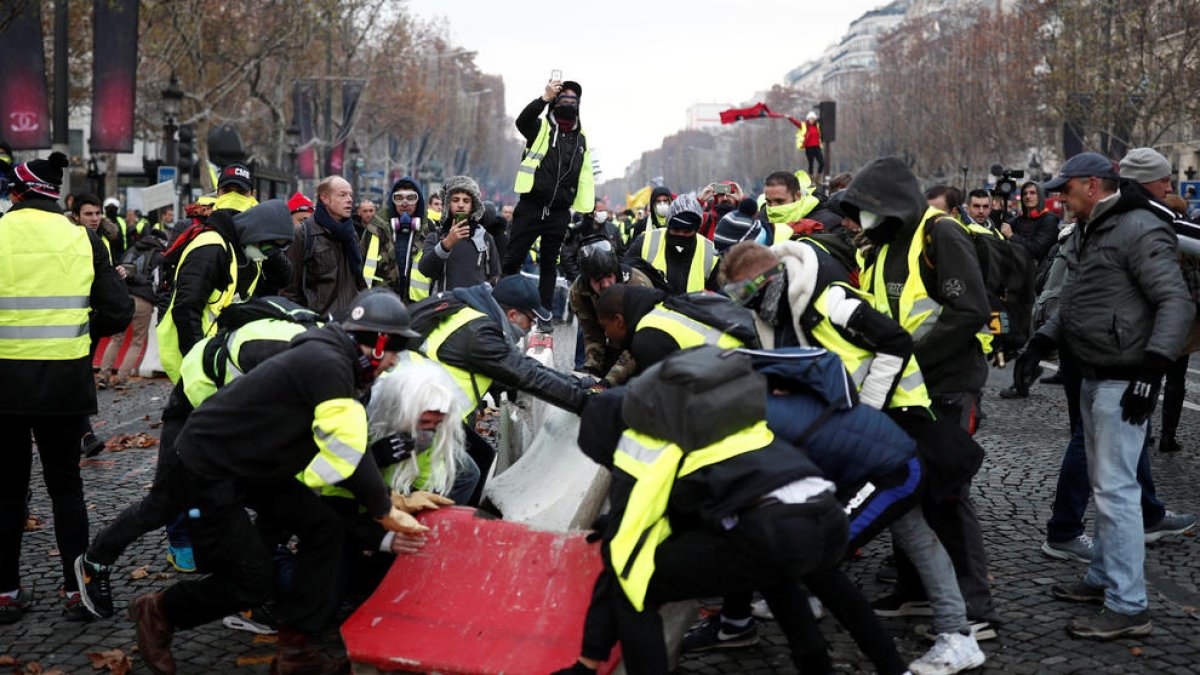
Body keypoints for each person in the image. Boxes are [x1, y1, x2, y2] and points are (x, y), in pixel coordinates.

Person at [102, 290, 429, 675]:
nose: (394, 362)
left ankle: (296, 648)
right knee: (252, 579)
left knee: (324, 527)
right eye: (395, 350)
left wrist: (385, 507)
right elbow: (349, 453)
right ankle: (159, 611)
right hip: (209, 466)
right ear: (377, 343)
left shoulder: (345, 367)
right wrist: (384, 510)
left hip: (257, 465)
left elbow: (348, 449)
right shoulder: (327, 363)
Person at [555, 347, 862, 675]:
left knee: (635, 586)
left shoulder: (637, 448)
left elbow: (625, 551)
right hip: (824, 512)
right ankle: (819, 667)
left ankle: (598, 666)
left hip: (770, 525)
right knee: (774, 573)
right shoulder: (702, 420)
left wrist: (616, 530)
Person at [1013, 152, 1193, 639]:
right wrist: (1041, 342)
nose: (1059, 197)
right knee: (1106, 486)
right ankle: (1103, 578)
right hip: (1095, 373)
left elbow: (1175, 301)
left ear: (1092, 185)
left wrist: (1151, 371)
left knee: (1116, 492)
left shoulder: (1137, 227)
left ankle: (1129, 605)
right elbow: (1077, 297)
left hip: (1122, 377)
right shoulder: (1093, 226)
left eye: (1065, 188)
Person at [842, 157, 1001, 635]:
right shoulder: (884, 241)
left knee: (948, 493)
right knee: (906, 487)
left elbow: (968, 310)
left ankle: (975, 608)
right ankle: (915, 590)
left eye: (867, 209)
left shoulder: (941, 233)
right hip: (907, 387)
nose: (861, 219)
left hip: (946, 384)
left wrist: (906, 360)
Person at [0, 152, 132, 624]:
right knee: (66, 488)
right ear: (56, 195)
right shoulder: (83, 238)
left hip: (4, 383)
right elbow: (118, 312)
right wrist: (78, 333)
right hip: (64, 381)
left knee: (7, 490)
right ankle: (78, 592)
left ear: (17, 193)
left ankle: (5, 593)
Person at [157, 199, 295, 383]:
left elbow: (281, 278)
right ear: (255, 233)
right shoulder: (211, 248)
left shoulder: (245, 252)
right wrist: (200, 361)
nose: (267, 255)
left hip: (215, 351)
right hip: (193, 356)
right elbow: (186, 308)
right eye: (268, 248)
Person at [1118, 148, 1199, 455]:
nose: (1169, 188)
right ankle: (1164, 433)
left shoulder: (1115, 216)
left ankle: (1154, 433)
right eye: (1164, 181)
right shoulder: (1150, 221)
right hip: (1149, 335)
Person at [502, 78, 595, 317]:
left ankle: (543, 313)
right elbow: (521, 122)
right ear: (555, 101)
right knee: (512, 260)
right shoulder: (541, 128)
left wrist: (586, 211)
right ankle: (504, 307)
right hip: (531, 206)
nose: (569, 103)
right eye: (563, 98)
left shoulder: (581, 139)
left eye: (573, 99)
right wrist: (543, 98)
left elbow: (584, 176)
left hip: (559, 212)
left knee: (549, 265)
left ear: (579, 104)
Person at [593, 285, 757, 373]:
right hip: (745, 362)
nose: (606, 334)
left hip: (732, 376)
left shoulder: (646, 339)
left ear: (618, 320)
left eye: (605, 327)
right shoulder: (664, 309)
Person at [569, 237, 654, 387]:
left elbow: (639, 346)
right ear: (587, 280)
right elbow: (592, 333)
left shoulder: (637, 285)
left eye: (609, 276)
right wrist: (591, 369)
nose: (606, 285)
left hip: (645, 346)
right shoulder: (578, 292)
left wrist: (608, 381)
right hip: (612, 341)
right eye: (597, 280)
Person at [285, 175, 367, 316]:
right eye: (342, 195)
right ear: (325, 199)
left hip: (350, 321)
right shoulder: (303, 234)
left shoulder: (351, 234)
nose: (349, 199)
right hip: (317, 322)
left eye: (350, 195)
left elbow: (359, 281)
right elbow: (289, 291)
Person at [100, 228, 169, 388]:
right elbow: (158, 282)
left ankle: (103, 376)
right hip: (144, 300)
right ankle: (121, 379)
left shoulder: (132, 249)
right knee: (137, 341)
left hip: (124, 297)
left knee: (117, 338)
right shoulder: (158, 255)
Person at [418, 176, 501, 294]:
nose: (461, 205)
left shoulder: (485, 238)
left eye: (466, 201)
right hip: (445, 304)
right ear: (448, 204)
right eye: (455, 200)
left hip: (476, 304)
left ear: (473, 205)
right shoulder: (435, 237)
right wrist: (447, 244)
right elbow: (424, 270)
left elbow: (495, 278)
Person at [625, 195, 719, 295]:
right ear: (668, 225)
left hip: (692, 305)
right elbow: (625, 273)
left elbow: (719, 293)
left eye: (687, 231)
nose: (681, 235)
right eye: (676, 230)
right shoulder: (646, 241)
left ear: (696, 230)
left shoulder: (709, 251)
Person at [560, 198, 624, 281]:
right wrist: (579, 279)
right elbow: (567, 258)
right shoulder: (576, 231)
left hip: (608, 280)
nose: (604, 214)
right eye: (600, 211)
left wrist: (616, 276)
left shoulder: (613, 229)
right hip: (583, 279)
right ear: (591, 212)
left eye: (605, 211)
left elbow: (620, 254)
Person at [1001, 182, 1058, 266]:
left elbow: (1037, 249)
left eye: (1032, 193)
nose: (1028, 196)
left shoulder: (1049, 219)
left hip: (1039, 271)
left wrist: (1011, 236)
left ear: (1040, 196)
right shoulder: (1019, 219)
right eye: (1025, 193)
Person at [796, 111, 825, 179]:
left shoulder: (817, 125)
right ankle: (811, 179)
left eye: (813, 119)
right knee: (811, 164)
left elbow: (823, 119)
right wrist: (789, 117)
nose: (812, 120)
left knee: (822, 163)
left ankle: (817, 178)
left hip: (817, 147)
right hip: (809, 148)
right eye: (810, 119)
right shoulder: (805, 126)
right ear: (808, 119)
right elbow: (796, 123)